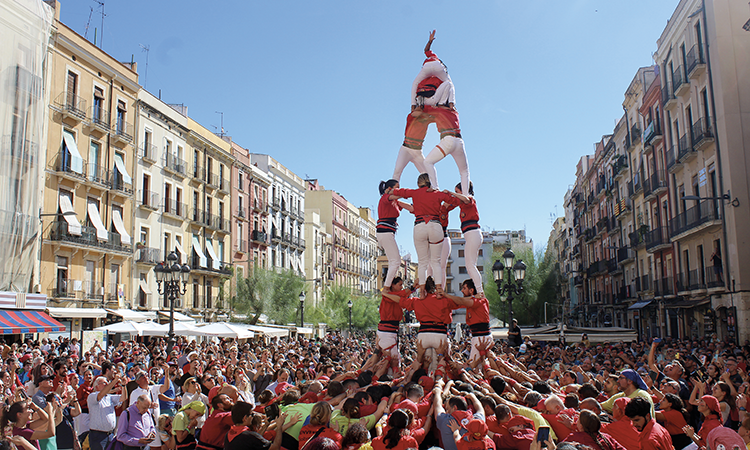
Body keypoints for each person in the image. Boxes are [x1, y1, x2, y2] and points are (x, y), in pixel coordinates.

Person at [391, 173, 455, 296]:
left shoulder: (415, 192)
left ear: (418, 183)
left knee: (422, 262)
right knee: (436, 262)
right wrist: (449, 193)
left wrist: (391, 192)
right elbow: (454, 200)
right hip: (435, 225)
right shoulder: (437, 194)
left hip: (420, 225)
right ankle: (439, 290)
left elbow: (403, 192)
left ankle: (421, 292)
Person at [445, 181, 483, 295]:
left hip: (473, 234)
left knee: (470, 266)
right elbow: (449, 205)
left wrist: (451, 193)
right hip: (471, 235)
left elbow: (466, 199)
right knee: (470, 266)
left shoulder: (469, 199)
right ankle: (477, 290)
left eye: (457, 191)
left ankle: (480, 292)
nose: (456, 194)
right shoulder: (462, 203)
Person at [376, 179, 413, 291]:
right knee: (395, 261)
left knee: (394, 261)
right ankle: (387, 288)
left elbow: (410, 208)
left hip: (387, 233)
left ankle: (388, 286)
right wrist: (407, 193)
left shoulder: (394, 202)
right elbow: (395, 196)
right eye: (397, 187)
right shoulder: (385, 198)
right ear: (389, 189)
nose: (399, 190)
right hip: (385, 232)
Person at [445, 279, 491, 365]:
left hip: (481, 337)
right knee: (479, 366)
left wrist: (445, 294)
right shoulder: (474, 300)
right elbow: (458, 303)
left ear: (471, 290)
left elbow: (460, 301)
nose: (462, 290)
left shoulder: (480, 301)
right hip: (478, 336)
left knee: (473, 366)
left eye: (464, 288)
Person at [377, 276, 411, 370]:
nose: (402, 287)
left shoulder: (390, 295)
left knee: (394, 360)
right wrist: (413, 287)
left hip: (391, 330)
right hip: (387, 330)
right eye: (400, 285)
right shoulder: (387, 295)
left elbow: (402, 295)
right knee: (394, 360)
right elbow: (402, 294)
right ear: (393, 285)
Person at [88, 375, 127, 450]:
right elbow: (100, 394)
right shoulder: (92, 396)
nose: (107, 384)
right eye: (104, 383)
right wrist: (115, 381)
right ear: (96, 386)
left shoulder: (109, 397)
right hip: (98, 435)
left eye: (107, 382)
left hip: (110, 434)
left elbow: (123, 398)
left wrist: (123, 385)